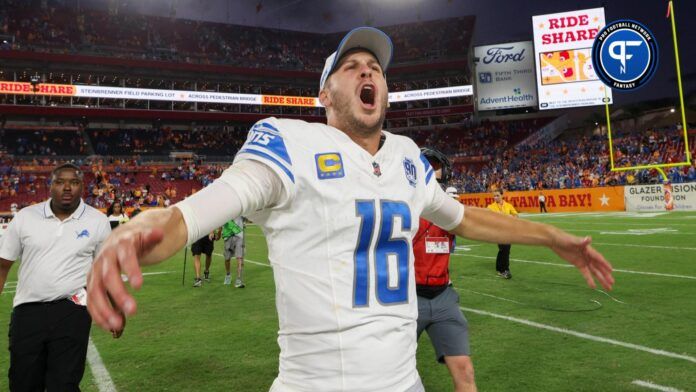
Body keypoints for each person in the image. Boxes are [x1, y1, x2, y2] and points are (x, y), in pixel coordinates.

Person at [85, 27, 614, 392]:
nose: (369, 72)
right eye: (352, 65)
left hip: (404, 381)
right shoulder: (288, 143)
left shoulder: (408, 157)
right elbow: (190, 213)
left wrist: (551, 236)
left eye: (376, 68)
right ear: (325, 92)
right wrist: (134, 232)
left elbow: (467, 218)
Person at [0, 163, 111, 391]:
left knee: (64, 383)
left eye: (74, 182)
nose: (67, 187)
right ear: (50, 186)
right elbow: (3, 265)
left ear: (83, 187)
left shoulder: (97, 221)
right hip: (28, 311)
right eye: (60, 182)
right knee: (23, 382)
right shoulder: (25, 217)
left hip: (73, 311)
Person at [414, 148, 476, 391]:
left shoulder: (449, 207)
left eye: (434, 165)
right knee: (394, 371)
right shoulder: (406, 206)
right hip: (408, 298)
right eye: (426, 165)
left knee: (465, 370)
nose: (432, 170)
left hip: (443, 295)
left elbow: (465, 231)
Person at [487, 189, 519, 279]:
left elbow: (516, 216)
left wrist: (510, 216)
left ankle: (499, 268)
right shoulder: (490, 207)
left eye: (497, 195)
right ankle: (505, 270)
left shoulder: (508, 205)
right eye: (494, 196)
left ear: (502, 195)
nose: (495, 197)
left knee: (504, 250)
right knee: (505, 249)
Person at [221, 217, 245, 287]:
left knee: (239, 257)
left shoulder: (242, 209)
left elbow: (249, 216)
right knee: (227, 259)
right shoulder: (226, 210)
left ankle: (238, 279)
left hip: (239, 235)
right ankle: (228, 275)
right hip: (227, 235)